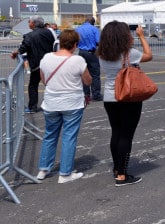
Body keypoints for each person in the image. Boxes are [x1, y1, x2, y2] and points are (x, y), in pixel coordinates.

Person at [97, 21, 152, 186]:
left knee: (116, 132)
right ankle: (122, 175)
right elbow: (149, 55)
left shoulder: (102, 54)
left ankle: (116, 168)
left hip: (110, 97)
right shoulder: (130, 54)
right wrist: (141, 36)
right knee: (127, 136)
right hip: (128, 97)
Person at [37, 29, 92, 183]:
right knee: (69, 137)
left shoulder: (47, 58)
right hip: (72, 103)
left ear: (59, 42)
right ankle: (65, 173)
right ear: (75, 45)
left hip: (51, 102)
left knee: (49, 135)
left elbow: (44, 80)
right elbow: (88, 81)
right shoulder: (78, 60)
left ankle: (43, 169)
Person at [11, 15, 56, 113]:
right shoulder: (48, 32)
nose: (28, 23)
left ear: (33, 23)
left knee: (33, 85)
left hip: (37, 65)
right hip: (50, 62)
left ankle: (32, 107)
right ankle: (52, 105)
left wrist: (16, 52)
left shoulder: (29, 36)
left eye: (29, 22)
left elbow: (23, 48)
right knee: (50, 84)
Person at [76, 16, 103, 101]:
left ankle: (86, 94)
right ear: (93, 22)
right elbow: (98, 41)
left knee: (83, 73)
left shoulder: (77, 29)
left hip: (81, 52)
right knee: (95, 74)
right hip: (91, 52)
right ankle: (96, 95)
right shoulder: (94, 29)